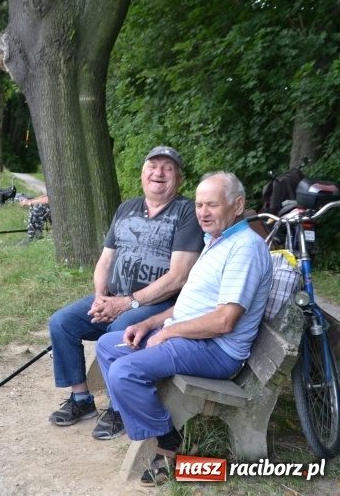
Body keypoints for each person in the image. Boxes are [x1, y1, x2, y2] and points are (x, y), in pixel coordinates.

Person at [95, 171, 273, 486]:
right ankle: (140, 418)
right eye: (199, 205)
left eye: (212, 205)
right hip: (193, 337)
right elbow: (190, 305)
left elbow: (224, 321)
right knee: (108, 346)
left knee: (124, 372)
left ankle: (169, 444)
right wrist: (149, 322)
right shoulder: (216, 241)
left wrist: (168, 333)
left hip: (217, 350)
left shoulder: (245, 248)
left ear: (237, 205)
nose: (203, 212)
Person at [47, 146, 204, 438]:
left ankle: (120, 409)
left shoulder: (187, 213)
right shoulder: (126, 208)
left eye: (168, 168)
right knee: (62, 322)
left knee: (120, 328)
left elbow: (178, 277)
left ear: (179, 178)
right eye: (153, 166)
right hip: (115, 296)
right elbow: (105, 260)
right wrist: (100, 296)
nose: (159, 173)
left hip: (159, 304)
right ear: (142, 173)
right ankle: (81, 399)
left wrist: (126, 303)